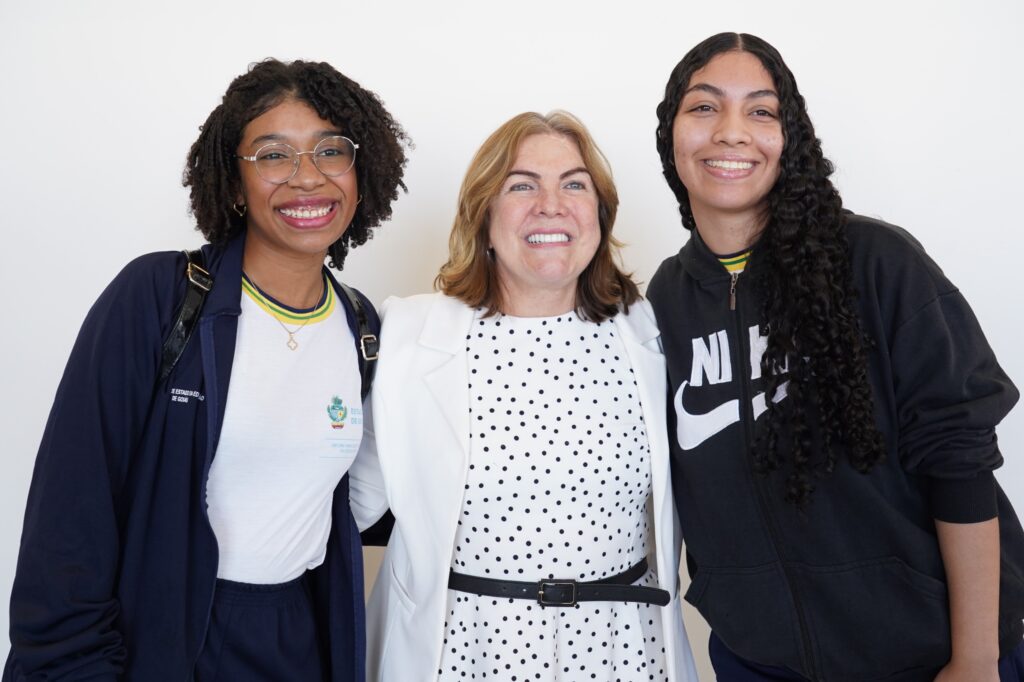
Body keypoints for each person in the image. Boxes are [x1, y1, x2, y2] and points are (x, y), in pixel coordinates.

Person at [4, 59, 409, 681]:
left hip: (299, 638)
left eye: (331, 150)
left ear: (362, 172)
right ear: (233, 183)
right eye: (273, 156)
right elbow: (72, 515)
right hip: (168, 636)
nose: (307, 177)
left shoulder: (362, 326)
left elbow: (353, 504)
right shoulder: (159, 297)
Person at [648, 31, 1024, 681]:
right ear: (670, 135)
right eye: (704, 106)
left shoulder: (875, 263)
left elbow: (959, 460)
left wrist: (974, 658)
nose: (731, 131)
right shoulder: (665, 301)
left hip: (934, 657)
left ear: (789, 137)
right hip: (761, 665)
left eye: (761, 110)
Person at [349, 111, 698, 681]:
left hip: (623, 650)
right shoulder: (408, 335)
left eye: (574, 185)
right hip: (463, 652)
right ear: (483, 215)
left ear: (600, 215)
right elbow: (343, 508)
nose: (551, 205)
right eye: (522, 185)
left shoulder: (650, 331)